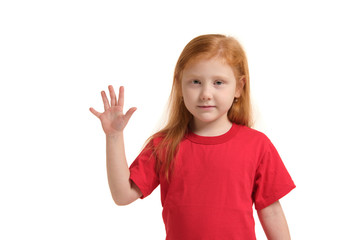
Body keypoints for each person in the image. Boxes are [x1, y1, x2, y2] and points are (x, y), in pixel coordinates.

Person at [90, 34, 296, 240]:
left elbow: (271, 211)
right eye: (195, 81)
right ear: (180, 85)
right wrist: (114, 136)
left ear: (239, 87)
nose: (206, 93)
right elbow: (122, 195)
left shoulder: (257, 145)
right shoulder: (164, 144)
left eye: (218, 82)